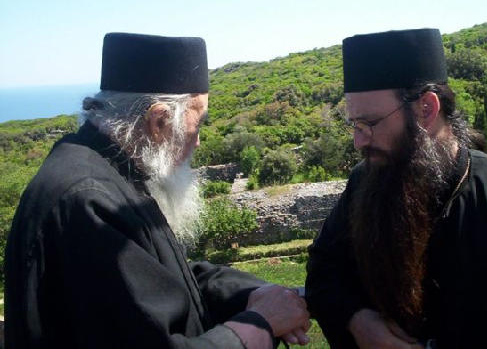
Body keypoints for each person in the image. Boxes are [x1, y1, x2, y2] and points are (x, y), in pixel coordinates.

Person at [5, 33, 311, 348]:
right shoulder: (88, 201)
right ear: (159, 120)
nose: (198, 140)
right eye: (198, 123)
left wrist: (256, 295)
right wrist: (259, 325)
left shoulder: (110, 170)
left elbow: (164, 281)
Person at [305, 29, 487, 349]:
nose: (359, 141)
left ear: (426, 109)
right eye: (354, 125)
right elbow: (324, 272)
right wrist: (358, 321)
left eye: (370, 124)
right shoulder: (367, 181)